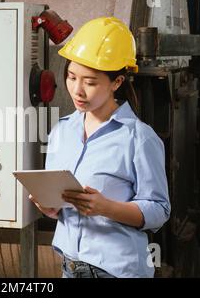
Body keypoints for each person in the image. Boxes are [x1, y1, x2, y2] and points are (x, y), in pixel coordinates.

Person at [29, 17, 171, 278]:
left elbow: (159, 210)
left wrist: (106, 207)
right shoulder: (62, 130)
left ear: (116, 83)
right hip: (69, 266)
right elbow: (63, 201)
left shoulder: (138, 138)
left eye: (90, 82)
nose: (77, 90)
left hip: (116, 271)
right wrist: (52, 208)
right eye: (72, 77)